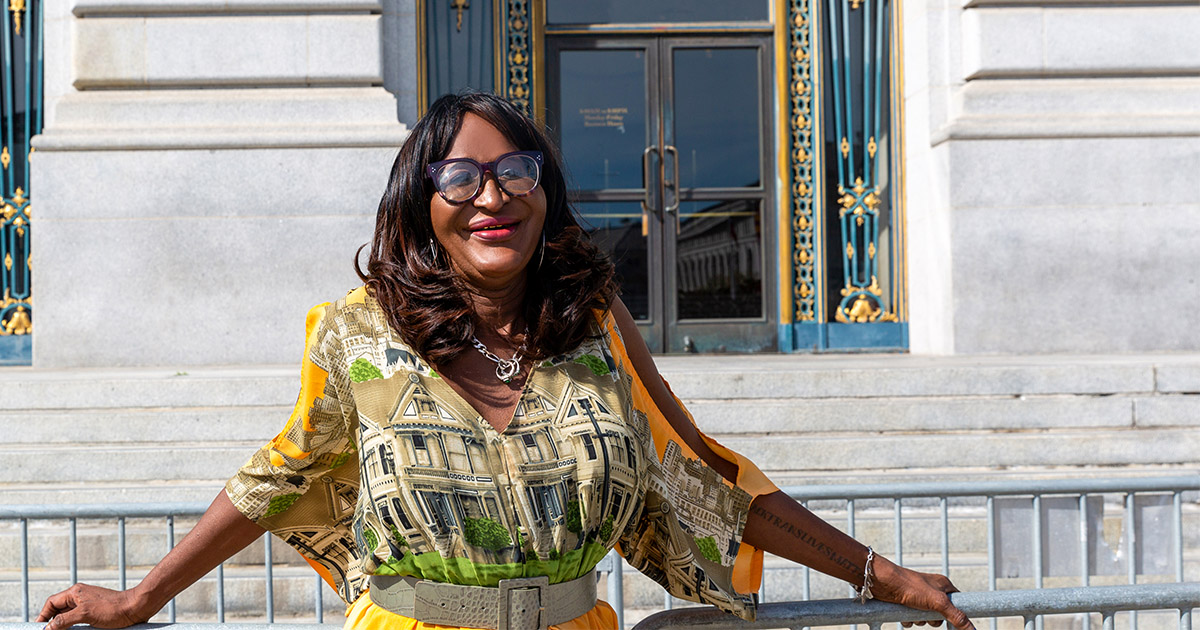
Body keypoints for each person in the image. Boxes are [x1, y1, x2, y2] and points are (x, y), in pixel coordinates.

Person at [37, 91, 974, 630]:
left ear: (545, 192)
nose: (490, 193)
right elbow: (278, 476)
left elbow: (700, 478)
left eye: (514, 169)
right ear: (419, 202)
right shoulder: (356, 333)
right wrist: (140, 597)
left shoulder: (594, 322)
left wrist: (883, 578)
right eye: (457, 176)